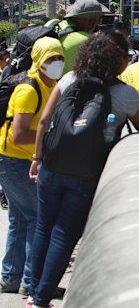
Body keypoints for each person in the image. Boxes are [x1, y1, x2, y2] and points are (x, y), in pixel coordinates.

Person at [27, 31, 139, 308]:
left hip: (51, 165)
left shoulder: (69, 79)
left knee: (43, 228)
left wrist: (37, 158)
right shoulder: (124, 93)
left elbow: (44, 121)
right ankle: (39, 300)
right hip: (86, 174)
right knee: (63, 235)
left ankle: (31, 288)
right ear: (117, 61)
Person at [0, 37, 64, 295]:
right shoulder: (29, 89)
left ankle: (11, 278)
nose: (56, 63)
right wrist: (52, 141)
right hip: (13, 159)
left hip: (19, 159)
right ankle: (32, 281)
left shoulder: (52, 84)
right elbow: (19, 134)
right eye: (50, 59)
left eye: (59, 58)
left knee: (20, 219)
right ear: (38, 61)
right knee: (37, 217)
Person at [55, 0, 111, 74]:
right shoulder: (88, 41)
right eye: (99, 20)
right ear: (91, 22)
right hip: (67, 84)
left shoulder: (53, 25)